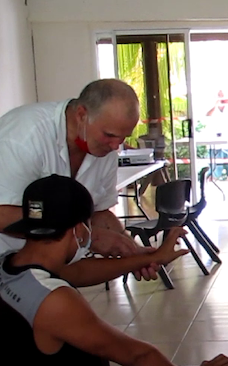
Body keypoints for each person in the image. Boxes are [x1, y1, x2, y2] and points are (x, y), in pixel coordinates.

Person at [0, 175, 228, 366]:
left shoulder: (11, 265)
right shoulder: (53, 300)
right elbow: (135, 355)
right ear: (81, 231)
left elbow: (78, 271)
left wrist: (146, 258)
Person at [0, 79, 159, 281]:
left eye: (123, 138)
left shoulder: (105, 148)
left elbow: (99, 211)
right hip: (7, 265)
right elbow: (2, 214)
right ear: (82, 115)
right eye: (109, 135)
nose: (115, 146)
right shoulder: (23, 137)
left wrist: (131, 251)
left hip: (50, 269)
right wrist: (89, 238)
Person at [205, 90, 228, 181]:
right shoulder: (211, 103)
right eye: (220, 94)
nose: (222, 96)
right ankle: (210, 189)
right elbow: (207, 116)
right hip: (215, 144)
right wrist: (215, 105)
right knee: (214, 172)